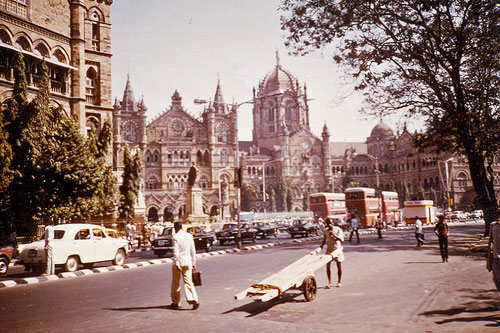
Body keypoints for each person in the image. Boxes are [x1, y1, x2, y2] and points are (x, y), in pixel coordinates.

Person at [170, 222, 199, 310]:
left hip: (178, 263)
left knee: (175, 283)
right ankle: (193, 299)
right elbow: (193, 250)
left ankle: (176, 301)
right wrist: (194, 262)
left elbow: (176, 252)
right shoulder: (189, 236)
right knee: (188, 282)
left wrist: (177, 263)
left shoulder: (175, 237)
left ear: (175, 228)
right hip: (188, 262)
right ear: (182, 227)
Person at [321, 218, 344, 288]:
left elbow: (341, 239)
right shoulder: (325, 231)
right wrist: (321, 246)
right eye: (328, 223)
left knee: (338, 265)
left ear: (333, 223)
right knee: (328, 266)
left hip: (337, 249)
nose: (329, 225)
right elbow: (324, 239)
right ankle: (329, 282)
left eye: (330, 223)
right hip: (329, 249)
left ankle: (339, 281)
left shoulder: (338, 229)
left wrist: (333, 234)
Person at [487, 218, 500, 291]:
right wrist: (488, 257)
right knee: (496, 278)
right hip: (496, 255)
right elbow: (490, 241)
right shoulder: (493, 225)